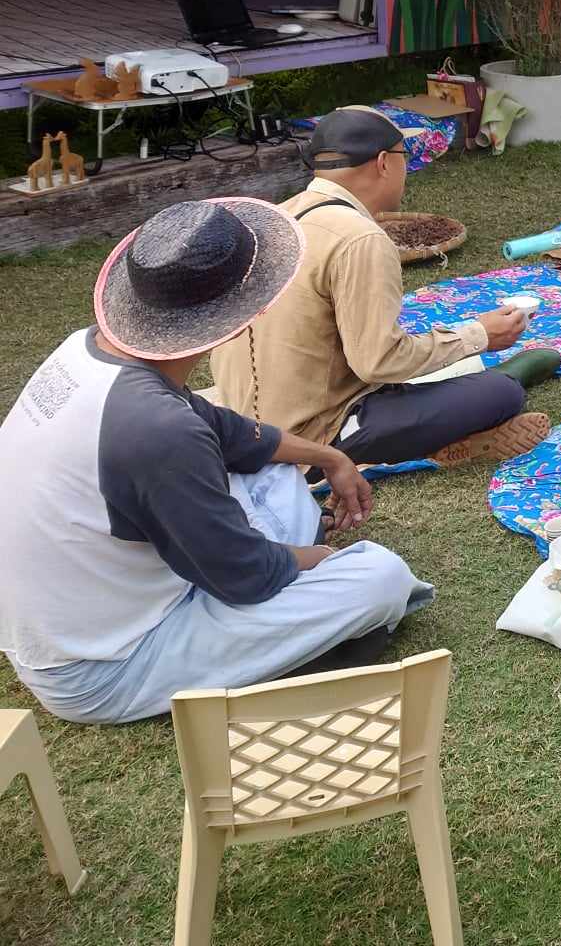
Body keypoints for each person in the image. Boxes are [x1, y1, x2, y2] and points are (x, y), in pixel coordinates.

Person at [0, 199, 433, 724]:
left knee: (274, 466)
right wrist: (321, 559)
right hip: (106, 665)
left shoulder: (87, 349)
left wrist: (329, 456)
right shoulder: (157, 429)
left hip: (102, 601)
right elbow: (244, 574)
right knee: (380, 578)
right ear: (236, 319)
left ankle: (294, 579)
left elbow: (224, 430)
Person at [213, 107, 555, 469]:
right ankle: (459, 430)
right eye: (405, 157)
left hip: (242, 426)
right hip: (308, 438)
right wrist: (479, 335)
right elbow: (378, 362)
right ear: (383, 162)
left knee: (447, 373)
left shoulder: (275, 216)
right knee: (501, 393)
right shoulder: (360, 238)